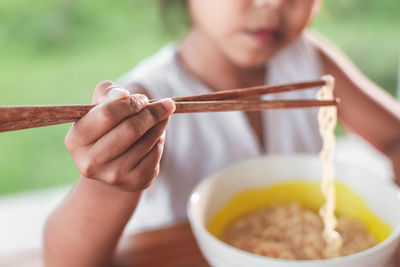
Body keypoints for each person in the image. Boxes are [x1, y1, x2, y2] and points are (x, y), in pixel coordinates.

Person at [44, 0, 400, 266]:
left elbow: (395, 137)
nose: (272, 3)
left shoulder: (307, 60)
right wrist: (108, 183)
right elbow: (65, 261)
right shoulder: (146, 102)